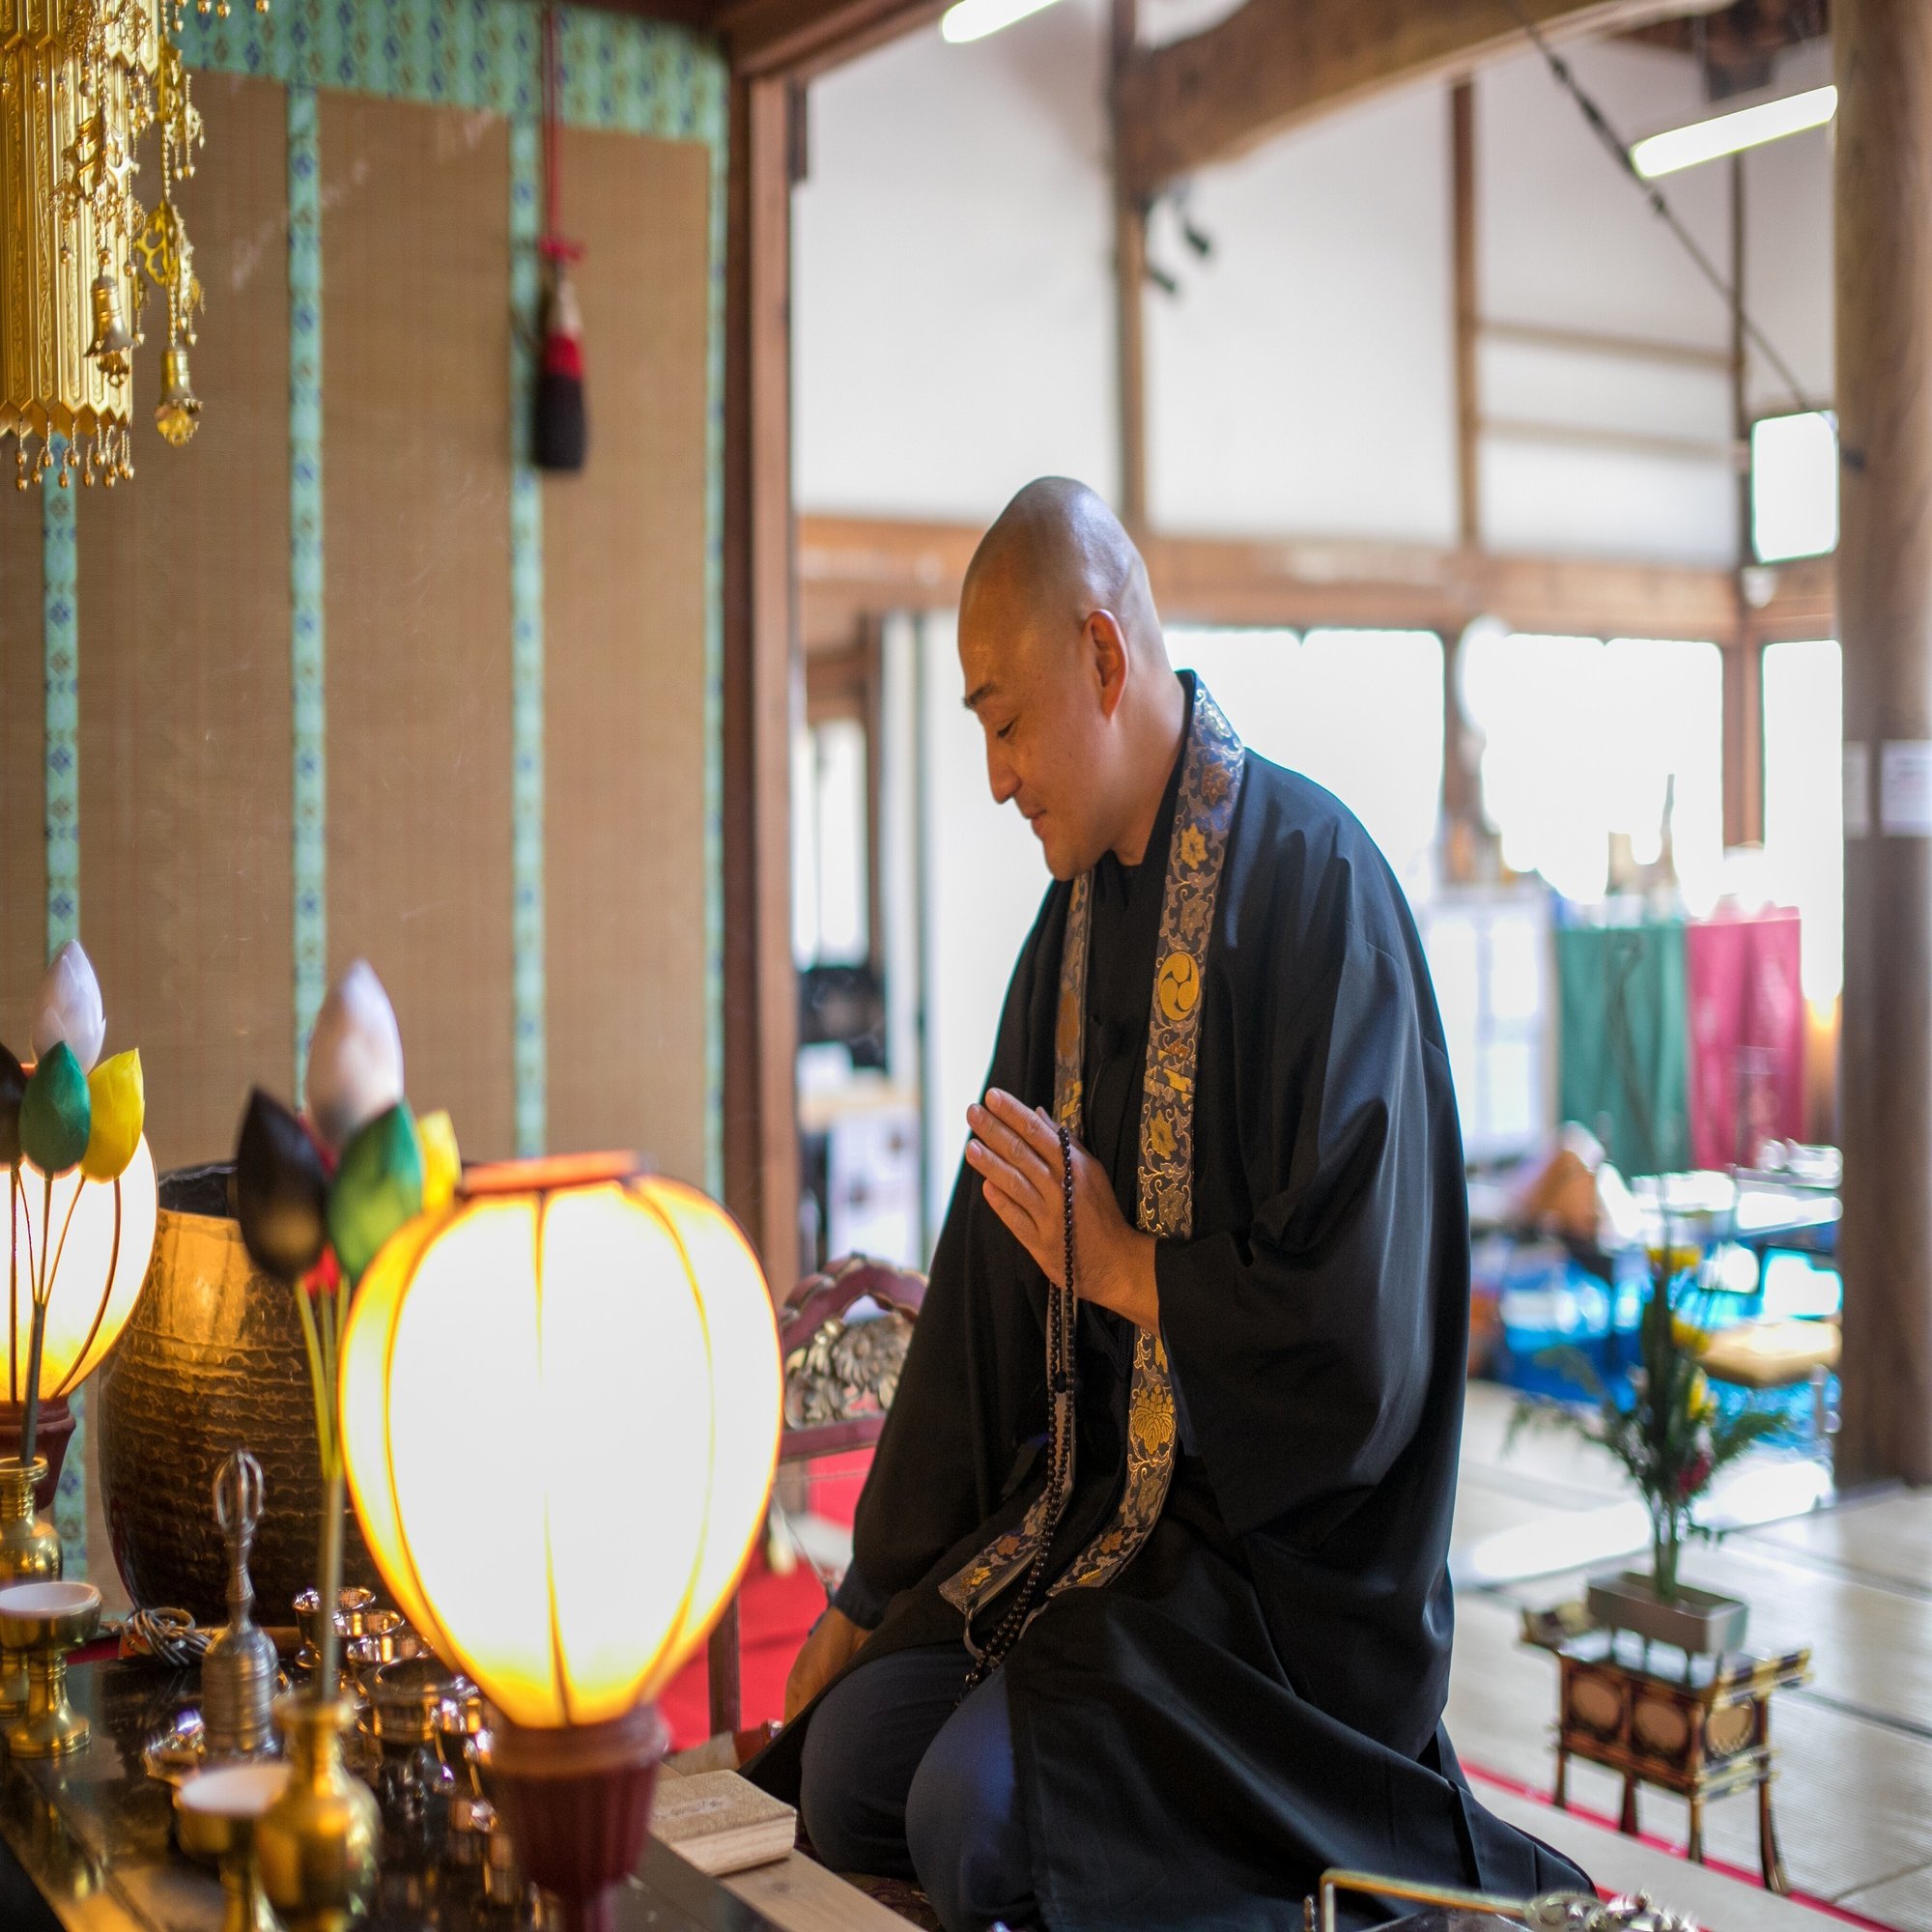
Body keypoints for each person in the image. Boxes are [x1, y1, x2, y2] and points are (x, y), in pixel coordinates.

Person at [745, 478, 1590, 1930]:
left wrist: (1132, 1267)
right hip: (1087, 1542)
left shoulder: (1323, 893)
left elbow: (1370, 1352)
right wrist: (859, 1605)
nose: (999, 777)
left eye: (1006, 722)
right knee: (846, 1768)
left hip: (1268, 1600)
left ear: (1106, 657)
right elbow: (982, 1328)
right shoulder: (1063, 937)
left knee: (965, 1815)